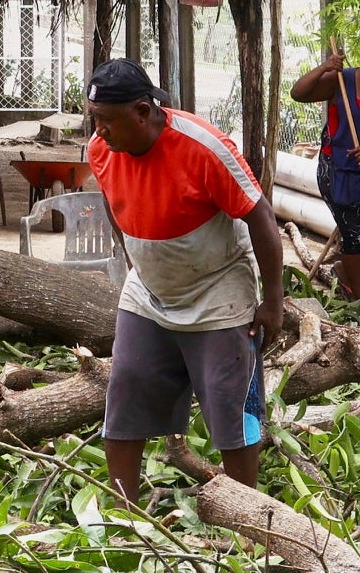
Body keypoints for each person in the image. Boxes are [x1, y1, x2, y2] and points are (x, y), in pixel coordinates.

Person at [82, 58, 285, 502]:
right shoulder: (102, 151)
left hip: (218, 287)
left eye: (107, 121)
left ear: (141, 111)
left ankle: (243, 514)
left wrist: (273, 302)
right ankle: (126, 514)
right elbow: (118, 211)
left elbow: (262, 218)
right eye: (94, 120)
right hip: (150, 291)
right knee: (127, 388)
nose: (99, 133)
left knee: (228, 400)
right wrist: (138, 265)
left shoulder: (204, 147)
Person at [290, 40, 360, 304]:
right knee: (353, 235)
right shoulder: (342, 80)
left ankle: (343, 272)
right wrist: (324, 67)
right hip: (338, 171)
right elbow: (298, 93)